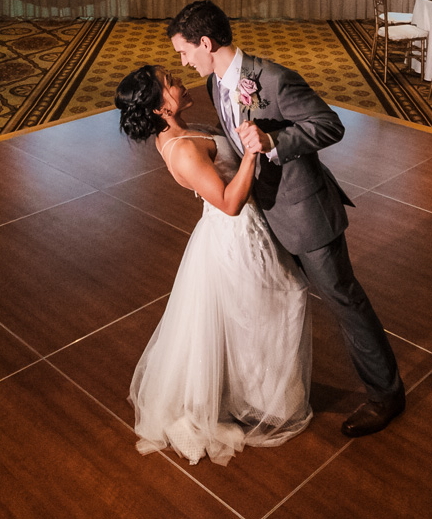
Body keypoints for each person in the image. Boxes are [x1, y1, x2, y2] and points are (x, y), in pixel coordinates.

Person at [165, 0, 406, 437]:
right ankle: (265, 392)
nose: (183, 61)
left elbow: (330, 125)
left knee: (343, 299)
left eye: (185, 51)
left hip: (304, 211)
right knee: (278, 300)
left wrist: (273, 139)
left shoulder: (272, 79)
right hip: (262, 215)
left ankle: (386, 394)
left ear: (205, 42)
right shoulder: (217, 84)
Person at [118, 65, 312, 465]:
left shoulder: (177, 131)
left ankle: (262, 392)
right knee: (279, 303)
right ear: (158, 108)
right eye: (169, 83)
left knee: (257, 313)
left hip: (237, 230)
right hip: (236, 236)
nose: (178, 82)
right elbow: (227, 202)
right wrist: (252, 154)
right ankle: (265, 398)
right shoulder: (184, 148)